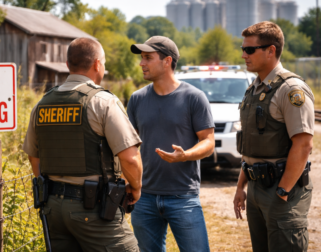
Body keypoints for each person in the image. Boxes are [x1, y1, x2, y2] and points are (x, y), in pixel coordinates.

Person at [22, 37, 143, 252]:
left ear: (68, 65)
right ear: (98, 64)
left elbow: (34, 158)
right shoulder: (103, 102)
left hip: (52, 209)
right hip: (93, 209)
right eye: (104, 63)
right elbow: (130, 158)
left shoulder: (42, 104)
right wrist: (135, 187)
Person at [127, 36, 215, 252]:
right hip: (144, 198)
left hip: (183, 196)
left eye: (148, 58)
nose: (141, 63)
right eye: (141, 58)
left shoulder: (194, 97)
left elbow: (208, 142)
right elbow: (130, 147)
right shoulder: (136, 99)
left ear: (167, 61)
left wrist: (185, 155)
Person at [233, 21, 314, 252]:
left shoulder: (291, 90)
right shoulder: (255, 89)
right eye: (243, 49)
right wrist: (241, 186)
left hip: (281, 189)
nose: (243, 55)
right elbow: (250, 147)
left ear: (271, 50)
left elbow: (303, 145)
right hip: (257, 188)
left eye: (249, 50)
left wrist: (283, 191)